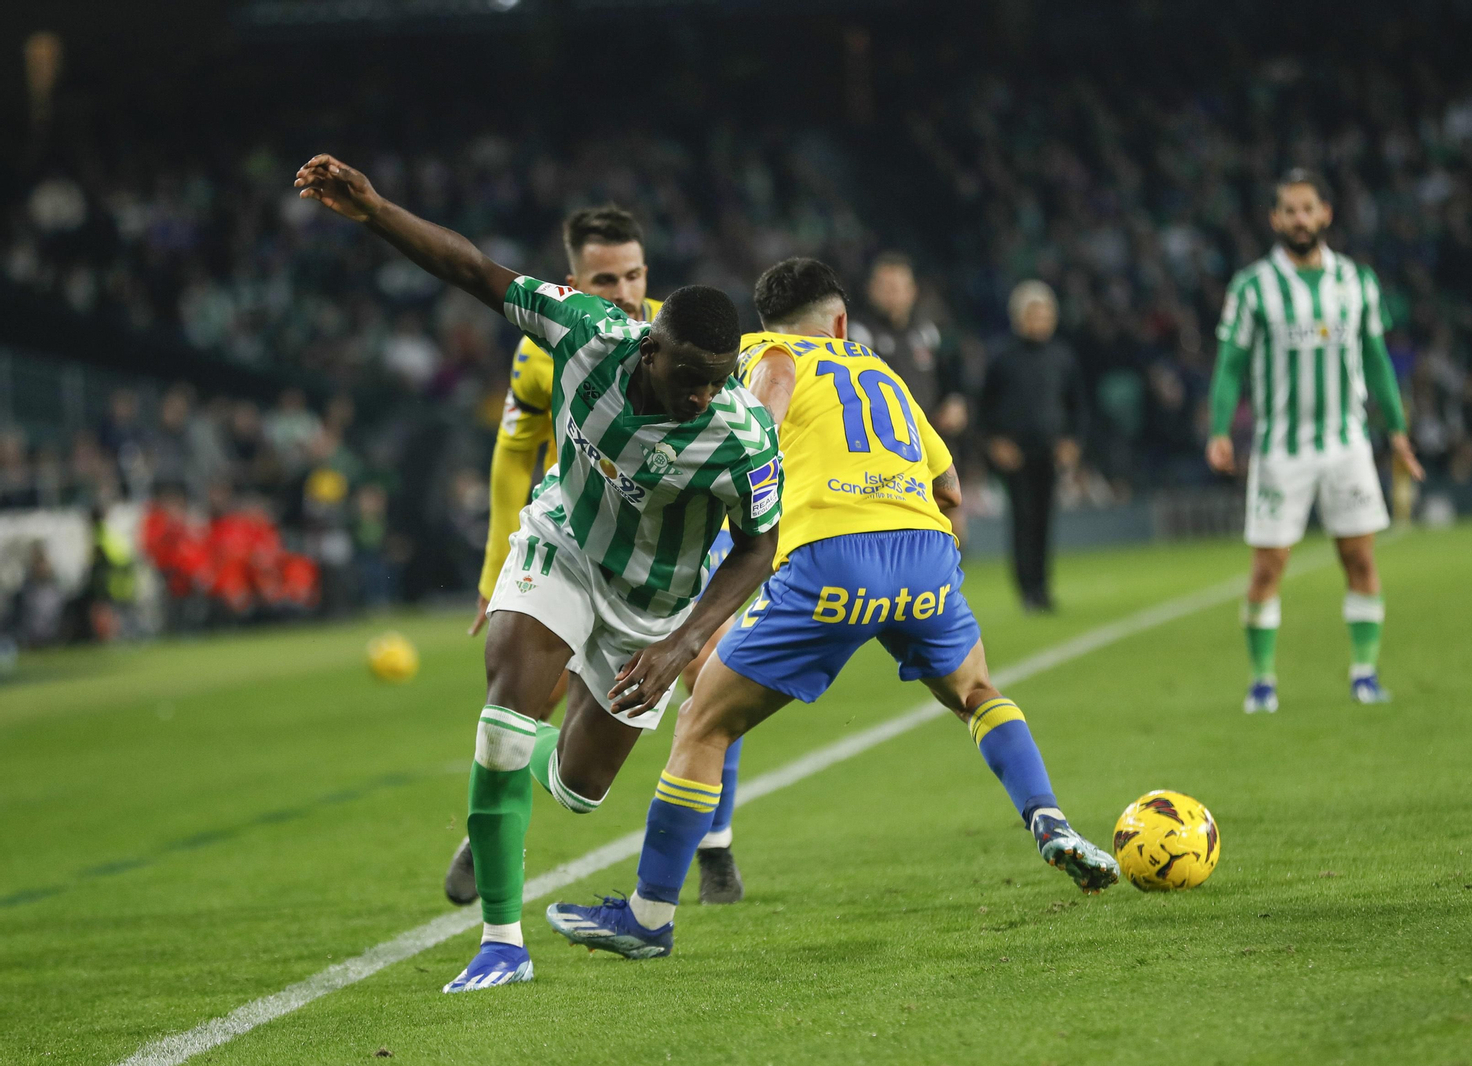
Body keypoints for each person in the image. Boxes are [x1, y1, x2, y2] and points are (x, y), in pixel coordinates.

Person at [294, 154, 783, 993]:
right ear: (651, 346)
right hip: (562, 546)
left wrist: (680, 644)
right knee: (501, 728)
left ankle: (529, 779)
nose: (703, 396)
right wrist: (375, 209)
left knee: (578, 788)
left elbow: (757, 547)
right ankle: (501, 942)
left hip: (650, 607)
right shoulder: (584, 330)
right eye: (690, 377)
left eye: (716, 380)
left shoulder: (739, 436)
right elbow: (470, 267)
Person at [544, 257, 1117, 960]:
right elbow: (953, 488)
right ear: (841, 322)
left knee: (702, 723)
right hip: (924, 553)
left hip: (831, 559)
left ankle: (648, 917)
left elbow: (769, 396)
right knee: (975, 691)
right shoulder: (881, 370)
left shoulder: (765, 351)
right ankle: (1050, 820)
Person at [447, 205, 750, 910]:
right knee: (529, 696)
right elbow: (513, 453)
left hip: (673, 558)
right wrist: (496, 572)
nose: (623, 290)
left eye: (635, 273)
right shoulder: (550, 343)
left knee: (713, 681)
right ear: (573, 281)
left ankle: (714, 846)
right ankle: (496, 815)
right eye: (605, 278)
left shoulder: (683, 344)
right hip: (579, 544)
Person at [1207, 169, 1425, 714]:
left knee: (1359, 557)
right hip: (1281, 449)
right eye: (1290, 211)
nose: (1300, 219)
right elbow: (1230, 364)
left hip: (1346, 444)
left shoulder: (1357, 282)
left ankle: (1365, 674)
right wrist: (1218, 430)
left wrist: (1396, 431)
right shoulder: (1253, 286)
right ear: (1275, 219)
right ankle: (1262, 682)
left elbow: (1376, 360)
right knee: (1267, 567)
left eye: (1309, 209)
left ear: (1326, 213)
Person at [980, 280, 1088, 611]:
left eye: (1044, 314)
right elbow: (984, 405)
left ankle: (1042, 586)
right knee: (1023, 519)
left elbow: (1078, 405)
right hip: (1014, 454)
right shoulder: (1002, 357)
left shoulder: (1063, 357)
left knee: (1044, 519)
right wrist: (994, 442)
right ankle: (1027, 589)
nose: (1039, 320)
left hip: (1050, 451)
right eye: (1032, 313)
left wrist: (1074, 442)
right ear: (1018, 317)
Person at [847, 252, 967, 437]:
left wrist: (955, 402)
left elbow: (952, 378)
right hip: (881, 442)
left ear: (912, 291)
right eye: (884, 287)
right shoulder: (856, 336)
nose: (891, 294)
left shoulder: (928, 333)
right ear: (870, 289)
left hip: (930, 441)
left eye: (897, 287)